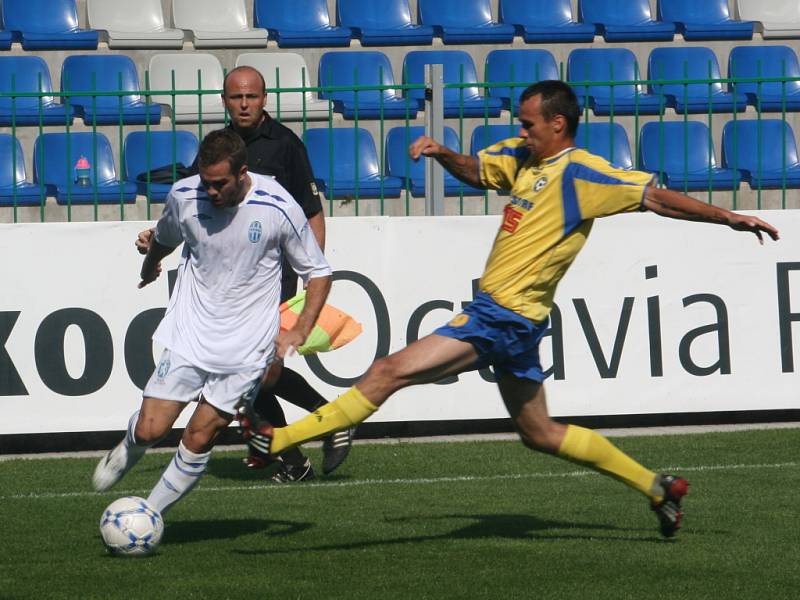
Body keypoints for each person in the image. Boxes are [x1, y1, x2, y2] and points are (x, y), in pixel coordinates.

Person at [241, 80, 781, 538]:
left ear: (559, 125)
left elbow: (657, 197)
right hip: (517, 321)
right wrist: (442, 153)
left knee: (387, 372)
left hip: (502, 315)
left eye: (528, 124)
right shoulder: (525, 159)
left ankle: (282, 439)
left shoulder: (581, 174)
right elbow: (479, 172)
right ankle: (656, 486)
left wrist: (728, 218)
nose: (520, 131)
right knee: (541, 434)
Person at [93, 129, 332, 516]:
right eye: (206, 182)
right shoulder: (186, 195)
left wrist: (302, 327)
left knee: (200, 434)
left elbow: (318, 273)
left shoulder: (278, 204)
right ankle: (130, 446)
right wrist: (150, 261)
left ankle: (149, 514)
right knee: (151, 429)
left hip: (247, 349)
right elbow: (167, 235)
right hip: (191, 335)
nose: (212, 191)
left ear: (242, 173)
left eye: (220, 183)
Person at [136, 65, 353, 482]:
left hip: (272, 277)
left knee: (258, 374)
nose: (244, 104)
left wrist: (307, 276)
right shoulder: (221, 148)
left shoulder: (285, 145)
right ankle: (307, 444)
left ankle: (322, 428)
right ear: (224, 101)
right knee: (256, 377)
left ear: (265, 98)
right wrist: (156, 236)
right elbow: (190, 204)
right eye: (236, 97)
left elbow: (311, 212)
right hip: (226, 285)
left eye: (251, 96)